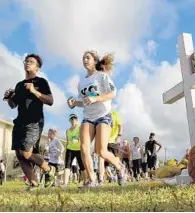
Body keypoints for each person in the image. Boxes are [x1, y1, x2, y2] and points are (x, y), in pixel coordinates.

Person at [67, 51, 126, 188]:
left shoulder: (102, 76)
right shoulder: (81, 82)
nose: (85, 60)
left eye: (88, 58)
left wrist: (96, 98)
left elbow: (113, 93)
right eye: (83, 58)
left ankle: (119, 167)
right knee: (84, 148)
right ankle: (91, 180)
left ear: (95, 61)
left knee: (101, 151)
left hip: (103, 115)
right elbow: (84, 101)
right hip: (88, 117)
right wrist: (75, 103)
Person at [4, 53, 55, 190]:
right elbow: (13, 105)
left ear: (37, 67)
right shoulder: (19, 85)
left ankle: (48, 169)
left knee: (27, 153)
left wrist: (34, 91)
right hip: (20, 121)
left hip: (34, 121)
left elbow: (50, 101)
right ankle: (33, 183)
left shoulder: (41, 82)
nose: (27, 63)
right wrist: (9, 97)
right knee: (19, 154)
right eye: (26, 61)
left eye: (31, 62)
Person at [98, 110, 123, 185]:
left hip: (113, 141)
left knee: (116, 160)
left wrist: (119, 136)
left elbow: (120, 125)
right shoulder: (99, 113)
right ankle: (100, 180)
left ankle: (120, 173)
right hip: (103, 140)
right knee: (101, 158)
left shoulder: (114, 113)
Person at [61, 114, 86, 188]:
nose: (73, 120)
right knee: (67, 166)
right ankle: (65, 184)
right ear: (69, 120)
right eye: (71, 119)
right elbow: (68, 141)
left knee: (82, 166)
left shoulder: (80, 128)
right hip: (70, 149)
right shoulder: (67, 131)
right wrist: (66, 149)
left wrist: (78, 140)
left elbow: (83, 138)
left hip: (79, 149)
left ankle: (86, 182)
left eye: (75, 119)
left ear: (77, 120)